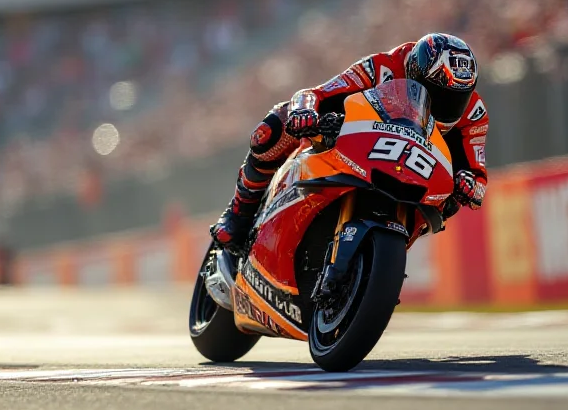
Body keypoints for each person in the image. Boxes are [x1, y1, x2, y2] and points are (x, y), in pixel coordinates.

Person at [210, 33, 489, 252]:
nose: (448, 106)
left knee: (450, 203)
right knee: (272, 128)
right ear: (414, 73)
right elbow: (315, 94)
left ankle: (378, 263)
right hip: (360, 146)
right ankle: (239, 212)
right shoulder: (383, 66)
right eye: (438, 95)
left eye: (457, 98)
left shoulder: (474, 114)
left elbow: (478, 178)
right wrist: (304, 113)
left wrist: (469, 185)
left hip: (417, 174)